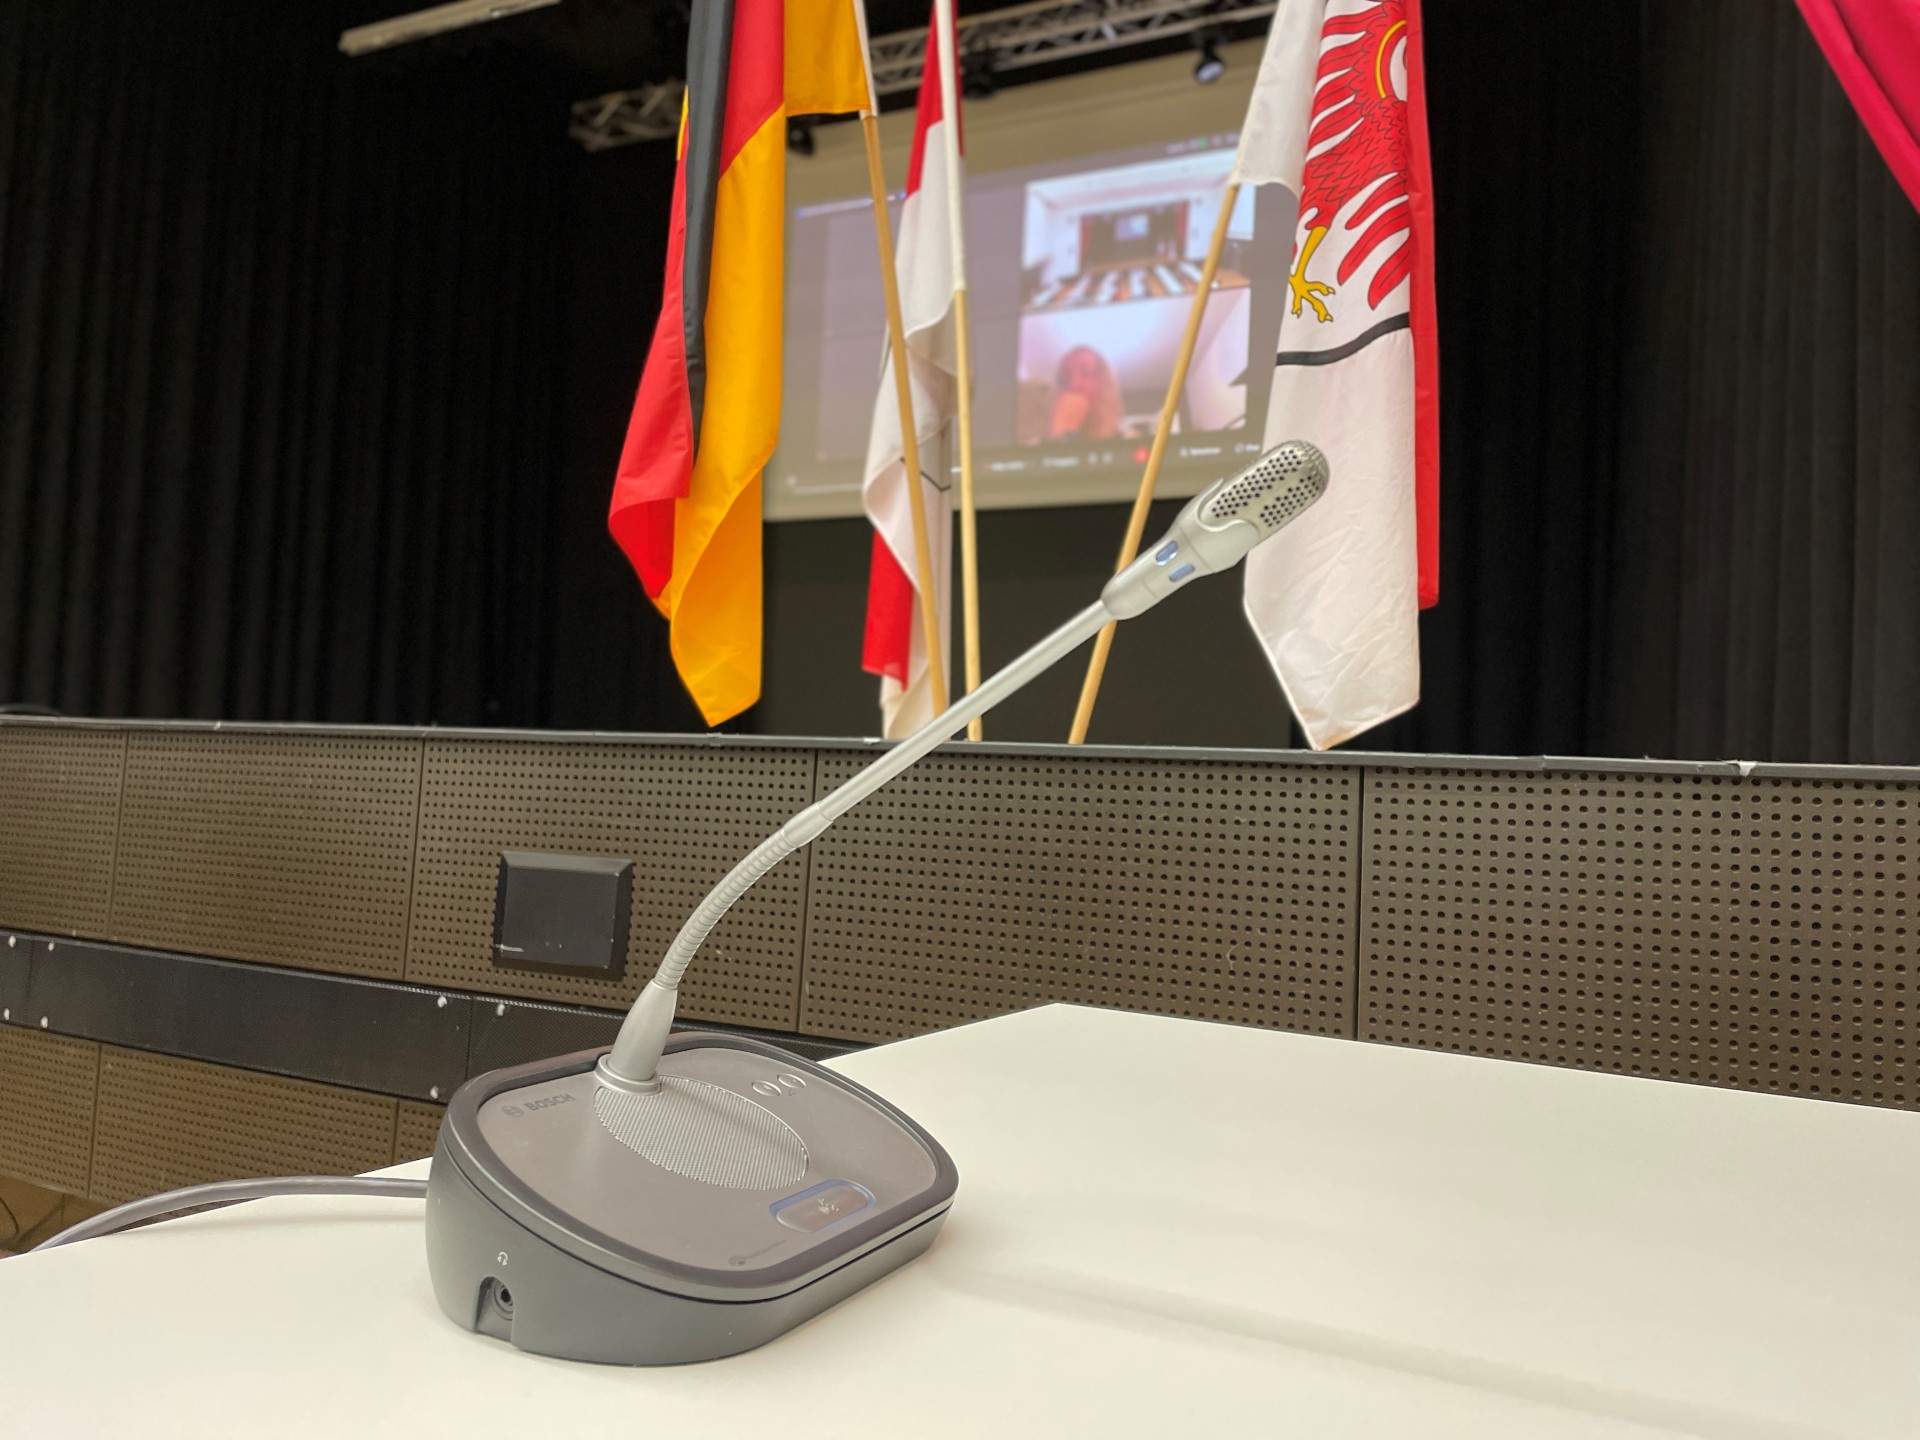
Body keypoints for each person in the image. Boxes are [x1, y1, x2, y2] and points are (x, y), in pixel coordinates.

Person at [1047, 345, 1123, 440]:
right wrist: (1063, 431)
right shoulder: (1040, 439)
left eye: (1086, 373)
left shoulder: (1124, 440)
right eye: (1066, 377)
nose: (1074, 384)